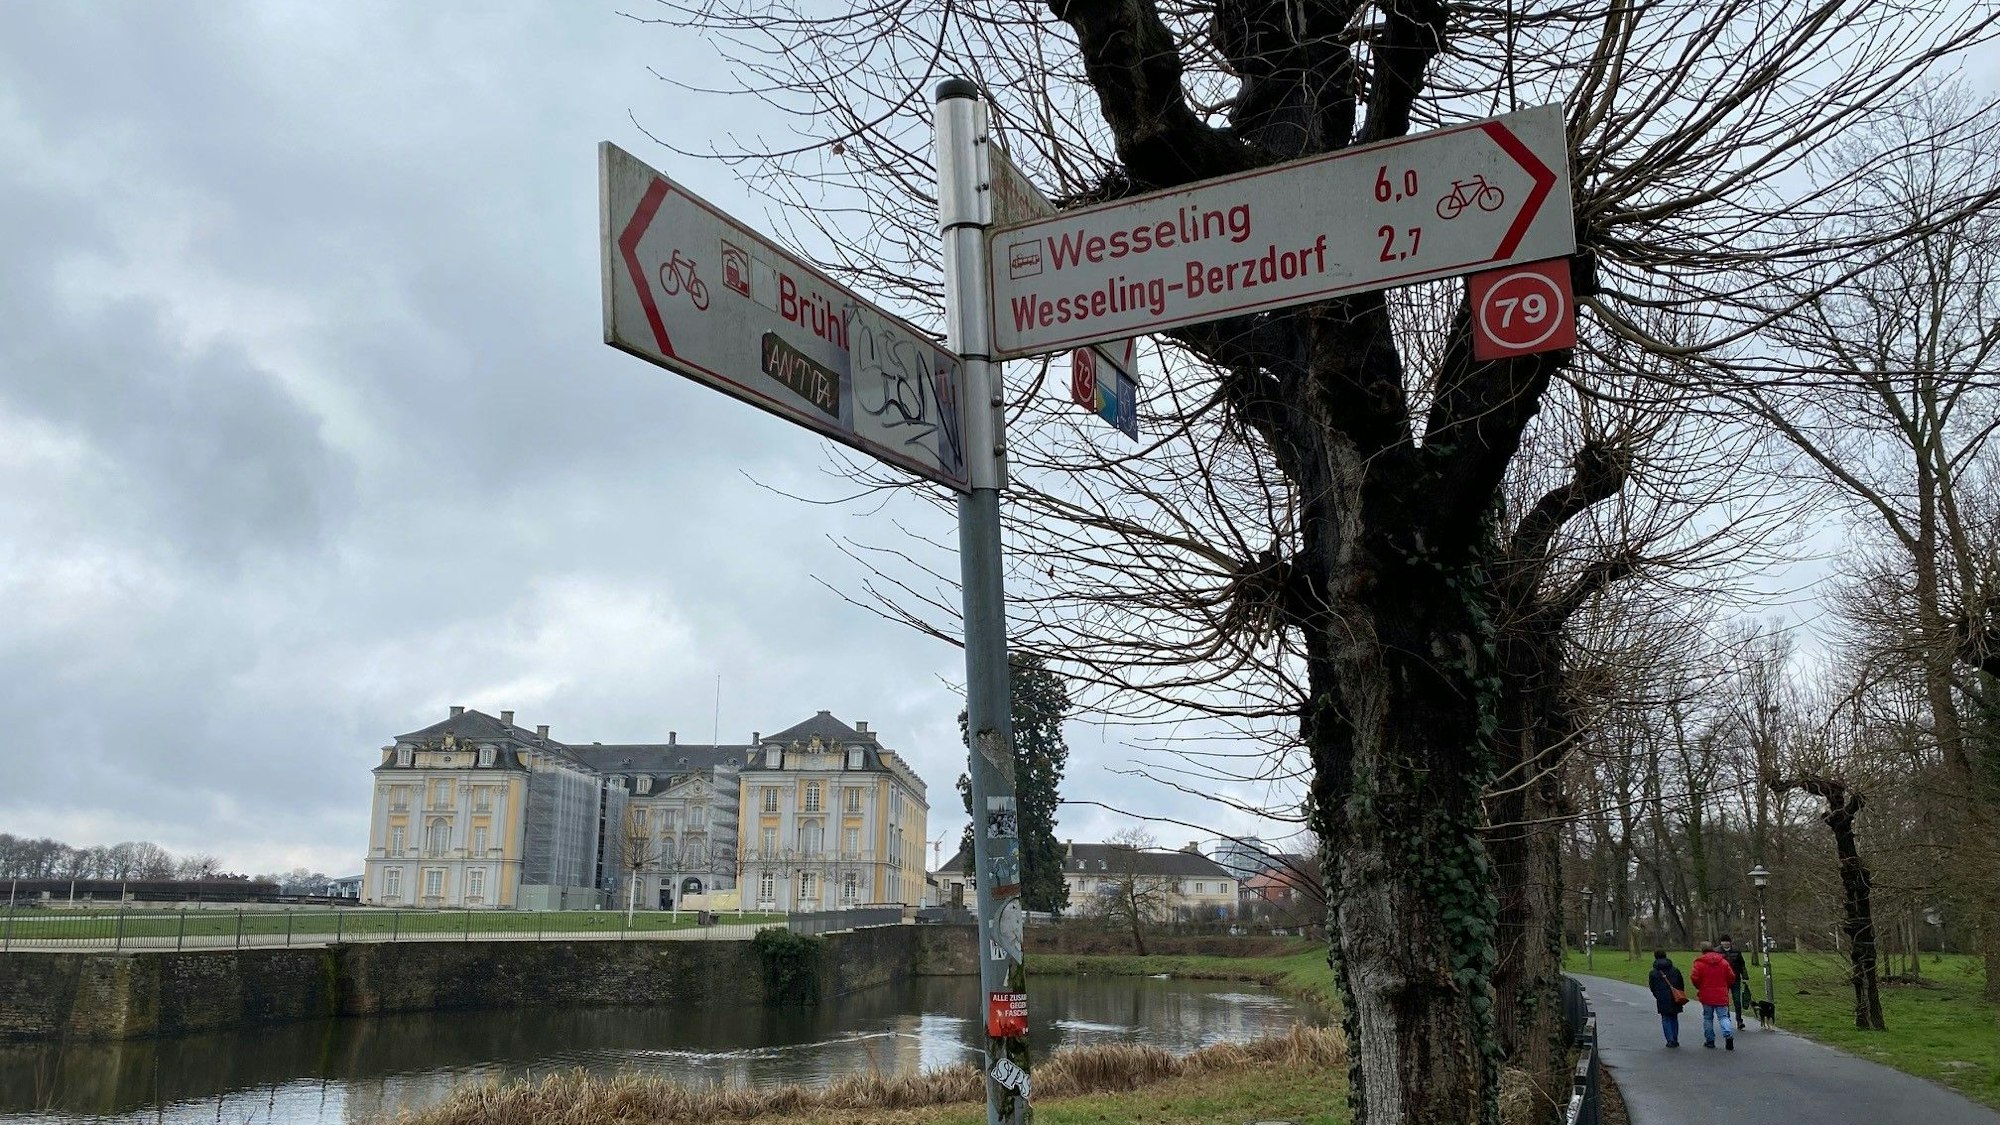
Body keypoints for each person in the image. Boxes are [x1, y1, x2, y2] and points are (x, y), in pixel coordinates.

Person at [1690, 940, 1738, 1049]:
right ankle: (1728, 1035)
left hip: (1706, 994)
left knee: (1708, 1018)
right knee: (1723, 1017)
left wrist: (1699, 986)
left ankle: (1710, 1040)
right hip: (1721, 993)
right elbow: (1731, 976)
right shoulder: (1723, 962)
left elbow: (1695, 978)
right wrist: (1725, 985)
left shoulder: (1699, 963)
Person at [1647, 949, 1687, 1048]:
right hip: (1675, 996)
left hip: (1662, 997)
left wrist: (1657, 995)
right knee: (1674, 1017)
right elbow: (1681, 984)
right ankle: (1675, 1038)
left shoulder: (1653, 972)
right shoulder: (1675, 970)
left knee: (1665, 1018)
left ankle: (1670, 1040)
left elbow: (1652, 987)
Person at [1718, 934, 1751, 1025]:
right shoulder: (1717, 952)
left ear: (1730, 942)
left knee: (1737, 1000)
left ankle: (1739, 1020)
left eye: (1727, 942)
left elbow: (1742, 965)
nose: (1725, 944)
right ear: (1721, 943)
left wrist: (1745, 977)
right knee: (1725, 1001)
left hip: (1735, 979)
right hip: (1723, 980)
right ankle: (1727, 1019)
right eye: (1724, 942)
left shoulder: (1736, 951)